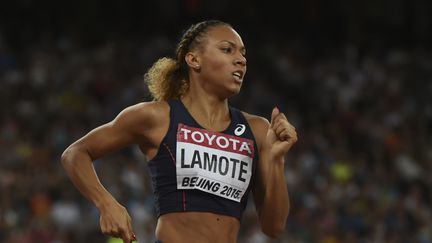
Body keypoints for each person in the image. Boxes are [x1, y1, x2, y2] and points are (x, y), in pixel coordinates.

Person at [61, 20, 297, 243]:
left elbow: (273, 227)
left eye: (243, 53)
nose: (241, 60)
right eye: (228, 50)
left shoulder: (256, 130)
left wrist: (277, 160)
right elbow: (75, 153)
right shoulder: (157, 117)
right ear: (194, 60)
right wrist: (106, 204)